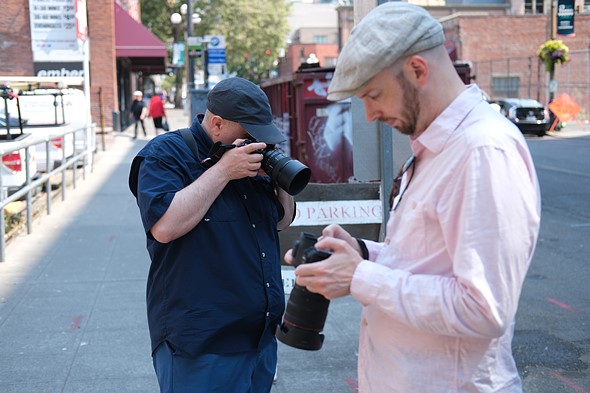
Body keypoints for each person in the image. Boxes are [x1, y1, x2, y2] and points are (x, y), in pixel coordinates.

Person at [286, 3, 541, 392]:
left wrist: (359, 276)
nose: (369, 114)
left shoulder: (482, 151)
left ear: (418, 70)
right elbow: (428, 264)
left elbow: (484, 308)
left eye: (373, 95)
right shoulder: (439, 147)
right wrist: (362, 253)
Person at [128, 77, 295, 393]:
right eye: (249, 134)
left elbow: (282, 221)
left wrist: (279, 181)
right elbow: (164, 227)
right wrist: (223, 171)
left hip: (260, 339)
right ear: (217, 124)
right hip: (201, 345)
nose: (255, 142)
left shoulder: (247, 157)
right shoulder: (166, 154)